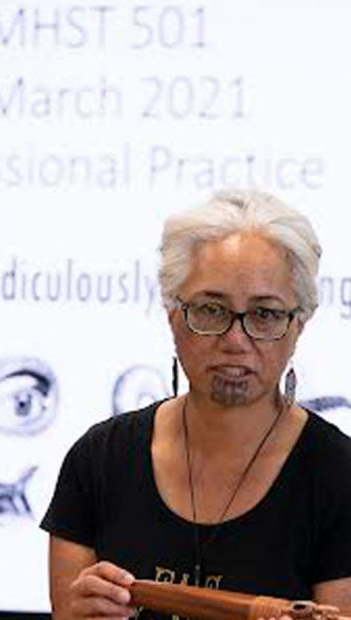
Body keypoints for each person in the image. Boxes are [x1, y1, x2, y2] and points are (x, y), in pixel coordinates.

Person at [41, 190, 351, 619]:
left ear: (298, 325)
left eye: (264, 314)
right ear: (172, 316)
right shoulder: (99, 461)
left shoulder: (339, 477)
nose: (235, 340)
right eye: (211, 309)